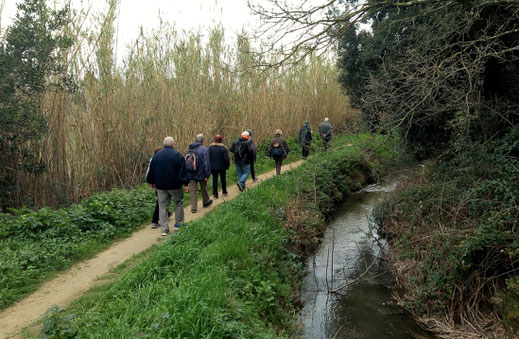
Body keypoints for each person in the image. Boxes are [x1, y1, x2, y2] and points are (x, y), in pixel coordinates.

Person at [146, 137, 188, 236]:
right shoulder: (177, 155)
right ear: (173, 144)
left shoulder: (157, 156)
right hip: (175, 185)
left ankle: (164, 229)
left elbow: (152, 170)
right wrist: (186, 183)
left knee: (163, 206)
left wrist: (151, 182)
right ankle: (179, 224)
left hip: (160, 186)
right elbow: (182, 171)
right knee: (178, 203)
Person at [186, 134, 213, 213]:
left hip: (190, 173)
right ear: (202, 140)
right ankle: (205, 201)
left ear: (195, 140)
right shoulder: (204, 149)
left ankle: (194, 208)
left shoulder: (189, 149)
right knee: (203, 187)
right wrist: (207, 174)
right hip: (201, 173)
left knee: (193, 191)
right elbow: (206, 163)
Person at [146, 146, 171, 228]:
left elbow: (148, 174)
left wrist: (151, 182)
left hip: (156, 184)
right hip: (160, 184)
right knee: (160, 201)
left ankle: (166, 214)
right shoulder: (159, 161)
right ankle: (154, 221)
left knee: (162, 200)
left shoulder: (152, 160)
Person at [208, 134, 230, 199]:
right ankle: (224, 191)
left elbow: (208, 157)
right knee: (223, 179)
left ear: (214, 140)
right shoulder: (223, 148)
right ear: (221, 140)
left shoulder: (210, 148)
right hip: (222, 167)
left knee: (214, 180)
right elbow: (226, 159)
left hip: (213, 167)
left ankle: (215, 194)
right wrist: (227, 165)